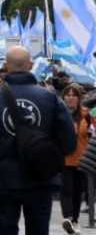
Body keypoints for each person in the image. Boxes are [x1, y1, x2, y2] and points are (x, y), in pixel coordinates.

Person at [0, 46, 77, 235]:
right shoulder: (50, 98)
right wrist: (48, 155)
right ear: (31, 65)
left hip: (2, 178)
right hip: (40, 176)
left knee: (4, 230)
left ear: (6, 66)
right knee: (39, 229)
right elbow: (68, 141)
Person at [59, 83, 90, 234]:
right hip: (64, 158)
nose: (71, 98)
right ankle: (68, 218)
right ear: (63, 97)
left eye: (74, 95)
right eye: (68, 95)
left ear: (79, 98)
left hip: (81, 159)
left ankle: (74, 220)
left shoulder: (86, 114)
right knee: (66, 190)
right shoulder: (58, 113)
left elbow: (92, 134)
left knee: (78, 192)